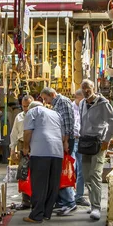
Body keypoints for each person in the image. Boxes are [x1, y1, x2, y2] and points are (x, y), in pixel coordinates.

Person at [79, 79, 113, 220]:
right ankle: (92, 203)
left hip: (98, 143)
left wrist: (106, 140)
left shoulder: (103, 104)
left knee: (95, 174)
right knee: (86, 175)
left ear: (93, 88)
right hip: (85, 143)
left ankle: (96, 207)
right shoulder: (82, 103)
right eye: (83, 88)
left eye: (88, 88)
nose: (85, 91)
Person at [22, 101, 64, 223]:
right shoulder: (56, 114)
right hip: (57, 151)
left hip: (40, 151)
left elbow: (27, 132)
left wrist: (25, 147)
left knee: (39, 184)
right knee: (53, 184)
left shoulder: (33, 112)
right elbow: (62, 134)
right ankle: (47, 213)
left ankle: (36, 215)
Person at [40, 87, 77, 216]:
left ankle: (70, 202)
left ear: (52, 94)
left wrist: (66, 141)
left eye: (46, 98)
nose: (46, 102)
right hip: (61, 141)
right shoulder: (57, 104)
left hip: (65, 141)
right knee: (59, 171)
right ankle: (62, 201)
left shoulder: (63, 102)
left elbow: (68, 124)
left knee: (63, 171)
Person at [10, 95, 34, 210]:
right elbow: (14, 134)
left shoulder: (36, 116)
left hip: (34, 145)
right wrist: (12, 150)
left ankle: (36, 200)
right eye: (24, 106)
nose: (26, 109)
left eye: (28, 106)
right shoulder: (19, 117)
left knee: (34, 173)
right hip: (21, 144)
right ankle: (25, 201)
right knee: (23, 173)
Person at [72, 89, 90, 206]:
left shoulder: (84, 107)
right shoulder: (71, 108)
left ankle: (78, 195)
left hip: (81, 141)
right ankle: (68, 195)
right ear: (78, 97)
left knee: (82, 170)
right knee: (71, 167)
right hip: (72, 140)